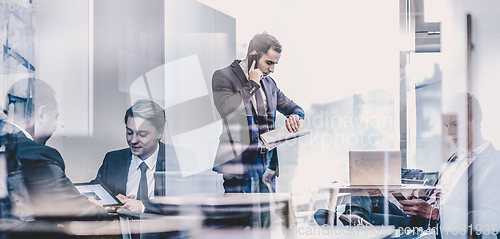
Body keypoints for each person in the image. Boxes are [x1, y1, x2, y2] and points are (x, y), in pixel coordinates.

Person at [340, 93, 500, 236]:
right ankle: (355, 218)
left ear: (476, 121)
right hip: (418, 217)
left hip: (435, 225)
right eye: (446, 126)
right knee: (364, 181)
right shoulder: (456, 158)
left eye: (455, 124)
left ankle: (353, 221)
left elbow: (493, 220)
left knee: (358, 220)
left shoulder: (495, 162)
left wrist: (436, 213)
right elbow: (440, 193)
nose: (449, 132)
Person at [1, 78, 109, 221]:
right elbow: (85, 214)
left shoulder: (7, 146)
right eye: (55, 117)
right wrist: (96, 207)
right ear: (42, 114)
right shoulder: (39, 156)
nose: (55, 125)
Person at [212, 33, 305, 193]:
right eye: (269, 63)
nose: (272, 69)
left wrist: (295, 116)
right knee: (241, 217)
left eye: (275, 64)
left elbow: (295, 108)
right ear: (253, 55)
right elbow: (226, 109)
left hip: (267, 167)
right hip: (238, 166)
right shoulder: (224, 75)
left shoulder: (269, 84)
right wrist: (252, 84)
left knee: (267, 217)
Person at [93, 99, 181, 213]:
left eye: (142, 134)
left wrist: (143, 206)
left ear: (160, 133)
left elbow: (186, 202)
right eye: (129, 133)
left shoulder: (178, 160)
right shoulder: (112, 160)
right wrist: (113, 201)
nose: (133, 140)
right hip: (123, 229)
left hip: (165, 229)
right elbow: (95, 192)